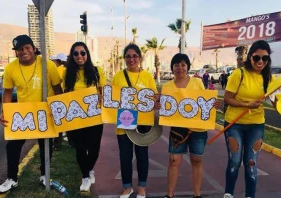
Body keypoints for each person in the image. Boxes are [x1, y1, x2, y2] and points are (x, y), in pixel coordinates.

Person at [0, 34, 62, 193]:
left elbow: (58, 88)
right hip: (23, 115)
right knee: (12, 146)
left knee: (46, 144)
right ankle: (12, 179)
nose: (23, 51)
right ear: (16, 52)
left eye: (27, 48)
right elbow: (7, 92)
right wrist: (5, 111)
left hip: (45, 112)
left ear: (34, 49)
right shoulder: (11, 68)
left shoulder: (47, 65)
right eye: (19, 49)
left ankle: (44, 175)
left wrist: (59, 108)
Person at [160, 53, 220, 198]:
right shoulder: (166, 86)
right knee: (174, 161)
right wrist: (158, 102)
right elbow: (165, 108)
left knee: (196, 160)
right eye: (176, 65)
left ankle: (197, 194)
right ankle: (170, 195)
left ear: (187, 67)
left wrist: (214, 104)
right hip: (177, 129)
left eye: (183, 65)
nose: (180, 68)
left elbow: (204, 102)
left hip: (198, 129)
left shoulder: (197, 83)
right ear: (172, 68)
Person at [223, 40, 274, 198]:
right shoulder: (239, 74)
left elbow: (275, 101)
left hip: (256, 126)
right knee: (234, 161)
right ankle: (229, 194)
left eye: (264, 58)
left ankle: (250, 195)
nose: (260, 62)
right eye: (256, 57)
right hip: (234, 124)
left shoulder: (269, 79)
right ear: (250, 57)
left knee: (251, 163)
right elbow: (227, 98)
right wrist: (247, 105)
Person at [111, 43, 158, 198]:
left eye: (135, 56)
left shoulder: (147, 76)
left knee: (142, 155)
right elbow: (112, 99)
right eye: (128, 56)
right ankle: (127, 187)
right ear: (124, 59)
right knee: (125, 156)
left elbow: (154, 99)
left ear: (140, 58)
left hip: (142, 123)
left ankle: (142, 188)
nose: (131, 59)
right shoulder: (118, 77)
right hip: (124, 123)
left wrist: (158, 102)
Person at [63, 42, 106, 192]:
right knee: (80, 148)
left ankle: (89, 169)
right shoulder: (67, 73)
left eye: (82, 53)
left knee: (94, 148)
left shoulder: (96, 71)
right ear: (72, 56)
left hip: (95, 117)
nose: (79, 56)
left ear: (87, 54)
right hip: (76, 118)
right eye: (75, 53)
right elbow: (64, 94)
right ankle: (85, 176)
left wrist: (102, 99)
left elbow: (104, 93)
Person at [50, 53, 68, 150]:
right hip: (64, 98)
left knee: (58, 123)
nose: (53, 62)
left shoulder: (58, 70)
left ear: (58, 61)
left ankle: (56, 144)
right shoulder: (66, 70)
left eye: (54, 60)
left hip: (57, 98)